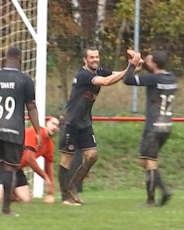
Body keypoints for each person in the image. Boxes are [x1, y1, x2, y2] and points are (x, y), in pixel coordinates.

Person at [59, 47, 137, 206]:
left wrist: (135, 65)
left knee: (92, 156)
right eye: (91, 57)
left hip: (85, 121)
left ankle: (73, 186)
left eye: (97, 57)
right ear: (84, 60)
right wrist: (130, 67)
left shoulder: (99, 71)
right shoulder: (83, 75)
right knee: (67, 158)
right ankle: (65, 197)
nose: (95, 60)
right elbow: (107, 82)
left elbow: (116, 74)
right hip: (71, 122)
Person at [0, 46, 42, 216]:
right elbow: (31, 107)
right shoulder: (25, 80)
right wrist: (38, 131)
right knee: (10, 168)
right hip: (13, 130)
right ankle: (5, 210)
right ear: (21, 59)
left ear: (5, 58)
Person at [123, 51, 177, 207]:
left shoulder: (153, 79)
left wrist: (133, 65)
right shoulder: (171, 77)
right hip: (166, 126)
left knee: (150, 162)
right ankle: (164, 190)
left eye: (148, 61)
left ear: (154, 64)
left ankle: (151, 200)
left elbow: (127, 80)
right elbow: (154, 71)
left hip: (153, 127)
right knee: (144, 160)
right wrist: (144, 64)